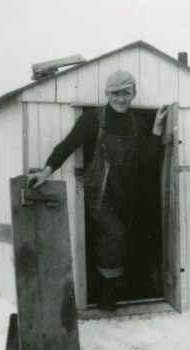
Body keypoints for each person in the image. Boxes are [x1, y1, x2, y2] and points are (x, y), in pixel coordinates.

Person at [27, 70, 167, 311]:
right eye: (115, 93)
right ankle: (106, 290)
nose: (121, 98)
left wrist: (155, 131)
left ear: (134, 93)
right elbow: (68, 144)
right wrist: (46, 171)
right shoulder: (93, 119)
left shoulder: (138, 123)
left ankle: (120, 284)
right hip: (100, 191)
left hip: (128, 190)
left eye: (126, 93)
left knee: (125, 236)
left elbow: (148, 161)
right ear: (106, 93)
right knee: (115, 234)